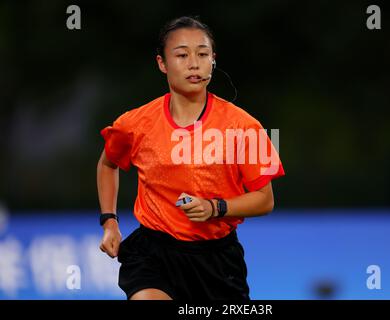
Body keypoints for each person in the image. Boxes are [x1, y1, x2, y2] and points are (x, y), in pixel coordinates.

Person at [96, 16, 285, 300]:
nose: (194, 63)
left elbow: (265, 200)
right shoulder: (134, 124)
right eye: (182, 55)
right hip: (153, 254)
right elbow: (107, 164)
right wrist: (109, 221)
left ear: (213, 60)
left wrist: (215, 208)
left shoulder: (244, 126)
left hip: (218, 262)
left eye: (203, 54)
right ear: (162, 63)